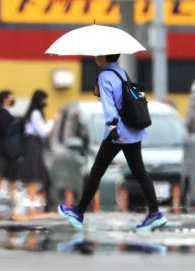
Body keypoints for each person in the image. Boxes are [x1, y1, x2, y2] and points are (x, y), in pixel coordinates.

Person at [58, 54, 166, 232]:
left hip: (117, 132)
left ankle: (78, 212)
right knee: (140, 172)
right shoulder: (121, 72)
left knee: (96, 171)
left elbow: (110, 107)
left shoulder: (104, 76)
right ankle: (154, 213)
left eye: (97, 55)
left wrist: (113, 127)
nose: (95, 57)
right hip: (133, 130)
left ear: (103, 57)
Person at [22, 90, 53, 215]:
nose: (45, 103)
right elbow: (43, 131)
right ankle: (32, 206)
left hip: (33, 145)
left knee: (37, 175)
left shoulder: (33, 113)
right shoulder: (35, 113)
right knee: (34, 176)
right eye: (44, 100)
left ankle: (34, 204)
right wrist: (52, 121)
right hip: (33, 145)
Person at [0, 90, 18, 220]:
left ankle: (12, 208)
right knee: (0, 178)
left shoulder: (5, 113)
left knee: (10, 180)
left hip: (7, 152)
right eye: (11, 96)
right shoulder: (2, 113)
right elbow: (6, 133)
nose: (13, 98)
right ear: (5, 99)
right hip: (2, 152)